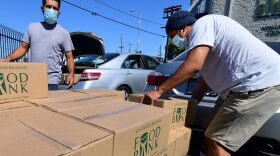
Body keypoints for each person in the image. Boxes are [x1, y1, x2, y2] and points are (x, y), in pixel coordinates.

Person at [143, 11, 280, 156]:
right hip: (236, 90)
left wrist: (158, 91)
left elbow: (193, 65)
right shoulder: (203, 45)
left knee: (216, 143)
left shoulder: (202, 25)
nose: (174, 41)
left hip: (259, 83)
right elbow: (203, 80)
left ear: (182, 29)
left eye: (173, 36)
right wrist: (192, 106)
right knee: (207, 133)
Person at [0, 0, 75, 90]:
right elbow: (23, 48)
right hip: (31, 79)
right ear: (42, 8)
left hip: (51, 82)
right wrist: (7, 59)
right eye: (48, 6)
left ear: (59, 12)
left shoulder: (64, 33)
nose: (51, 10)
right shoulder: (32, 27)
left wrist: (71, 74)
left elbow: (69, 57)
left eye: (55, 8)